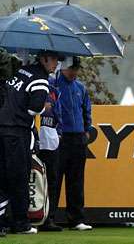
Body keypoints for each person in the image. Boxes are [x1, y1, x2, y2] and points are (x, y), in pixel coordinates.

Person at [0, 50, 59, 236]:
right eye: (55, 60)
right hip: (17, 132)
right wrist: (44, 106)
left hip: (2, 127)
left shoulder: (21, 71)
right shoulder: (40, 79)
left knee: (2, 176)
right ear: (44, 59)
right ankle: (21, 223)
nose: (56, 64)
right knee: (18, 177)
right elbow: (34, 108)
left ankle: (6, 221)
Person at [55, 57, 93, 231]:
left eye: (76, 69)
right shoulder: (53, 84)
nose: (74, 72)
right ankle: (48, 218)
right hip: (60, 138)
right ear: (62, 68)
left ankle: (76, 219)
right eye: (71, 69)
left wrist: (86, 130)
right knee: (54, 179)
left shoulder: (81, 88)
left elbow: (86, 110)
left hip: (78, 138)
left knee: (76, 180)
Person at [37, 77, 63, 232]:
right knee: (33, 178)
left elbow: (58, 112)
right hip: (35, 137)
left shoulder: (54, 87)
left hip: (51, 138)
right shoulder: (33, 81)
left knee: (52, 180)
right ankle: (32, 216)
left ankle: (49, 218)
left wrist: (59, 133)